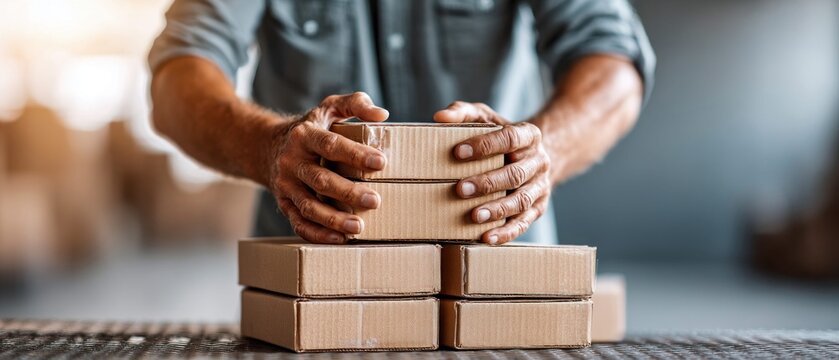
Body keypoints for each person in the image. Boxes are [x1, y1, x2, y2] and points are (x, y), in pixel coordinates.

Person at [148, 0, 655, 245]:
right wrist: (271, 147)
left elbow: (614, 64)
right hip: (313, 274)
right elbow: (177, 78)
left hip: (496, 269)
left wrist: (542, 154)